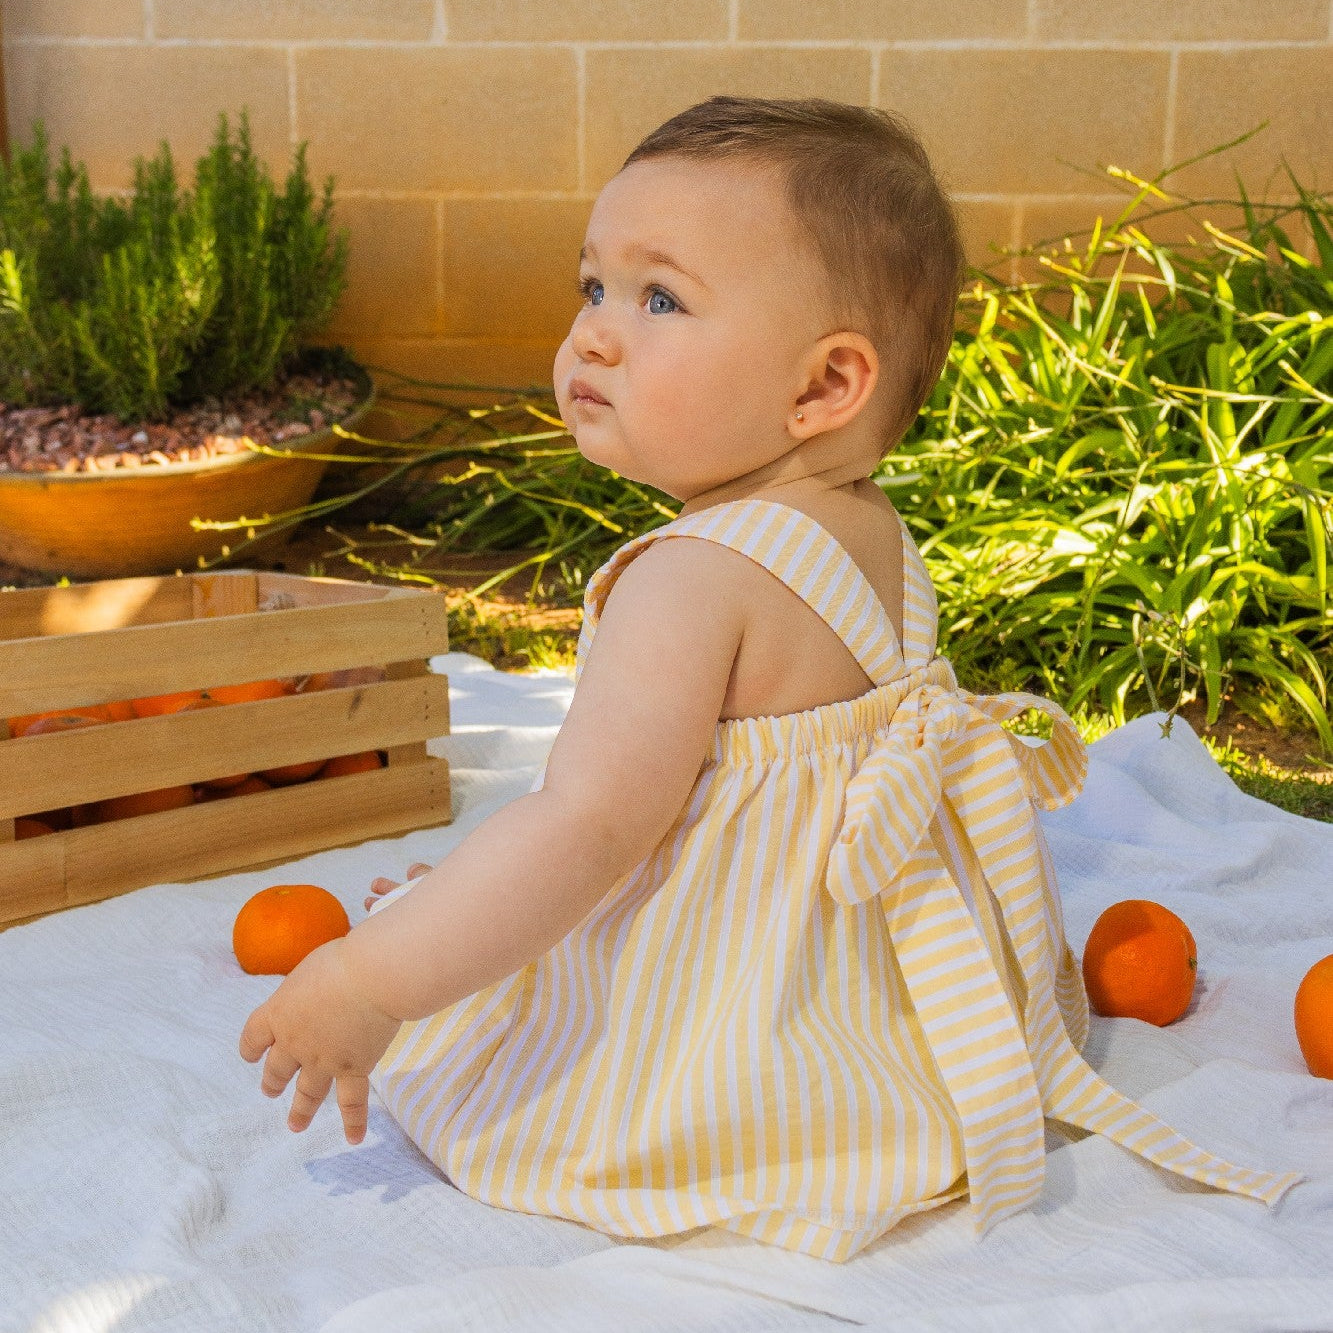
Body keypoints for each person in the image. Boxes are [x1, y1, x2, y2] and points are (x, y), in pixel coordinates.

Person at [240, 96, 1300, 1261]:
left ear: (820, 388)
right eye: (592, 286)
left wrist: (377, 977)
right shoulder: (867, 531)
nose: (593, 335)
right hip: (851, 999)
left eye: (659, 299)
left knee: (518, 1017)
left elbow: (584, 833)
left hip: (727, 1014)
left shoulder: (688, 580)